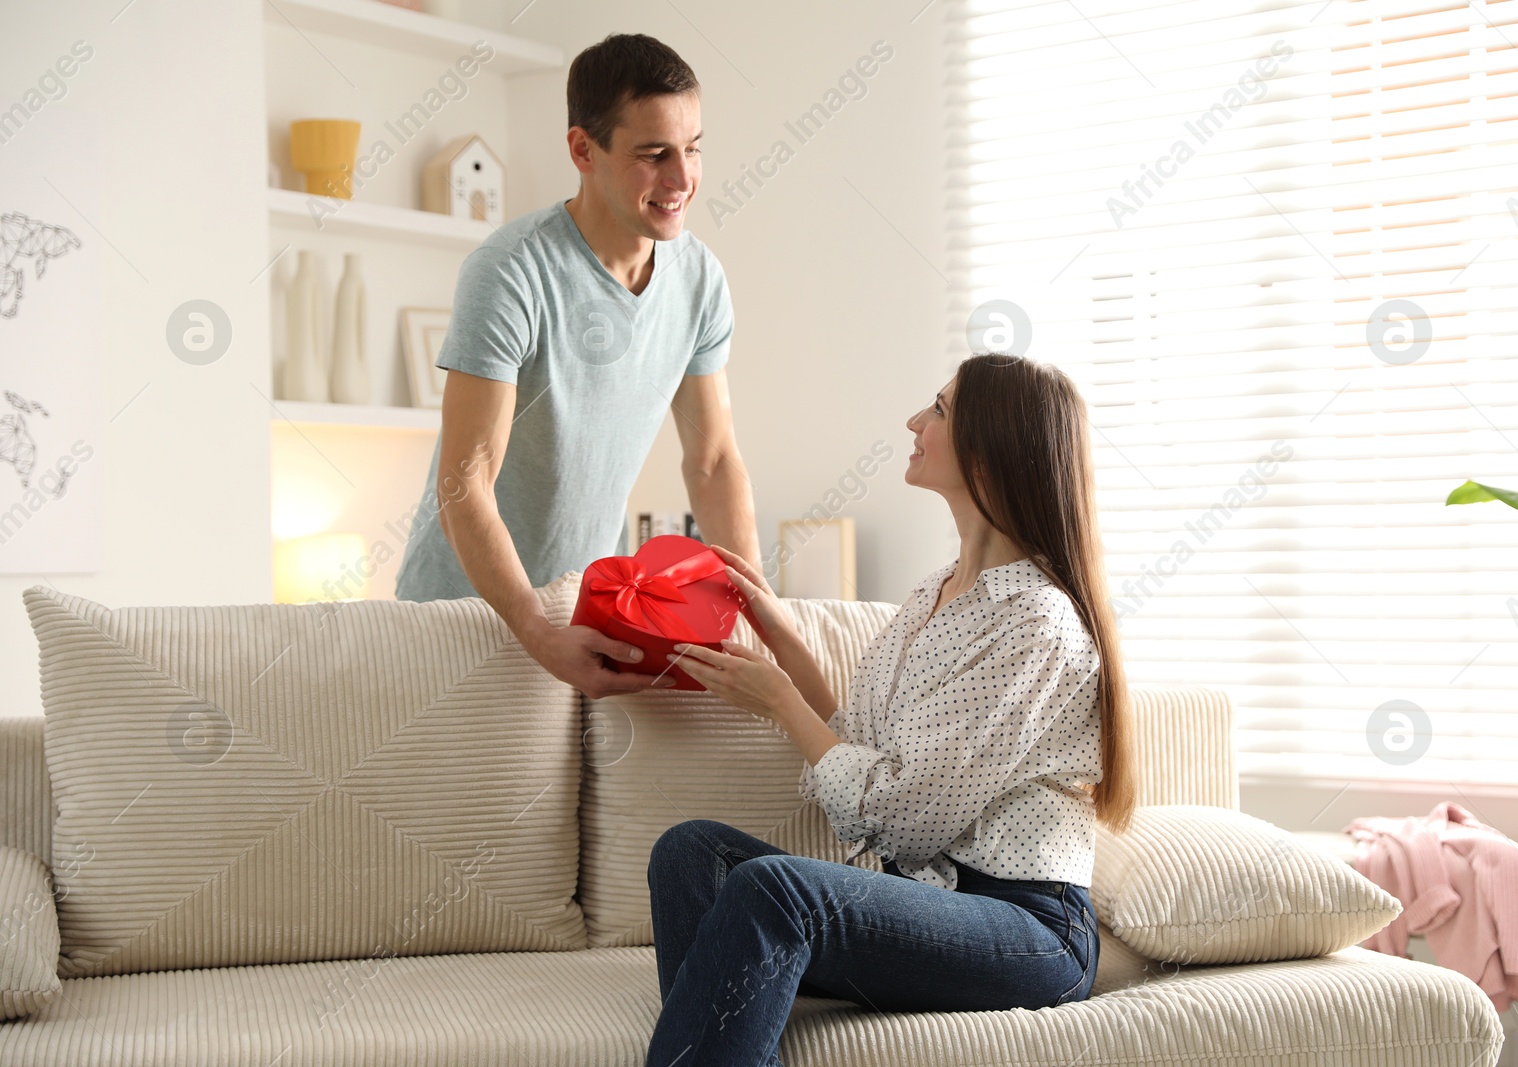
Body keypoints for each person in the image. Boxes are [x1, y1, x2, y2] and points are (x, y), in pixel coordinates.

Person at [642, 353, 1137, 1066]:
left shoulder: (1037, 622)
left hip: (1026, 927)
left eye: (939, 408)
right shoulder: (933, 594)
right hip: (923, 905)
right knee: (689, 853)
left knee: (774, 891)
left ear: (988, 448)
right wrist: (780, 632)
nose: (915, 421)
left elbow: (902, 815)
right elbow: (860, 747)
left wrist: (782, 705)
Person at [392, 34, 761, 700]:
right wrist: (536, 630)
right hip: (458, 613)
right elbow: (465, 482)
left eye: (693, 148)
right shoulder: (509, 272)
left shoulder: (700, 278)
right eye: (654, 155)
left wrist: (759, 611)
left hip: (587, 611)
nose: (682, 179)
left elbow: (712, 461)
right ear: (583, 150)